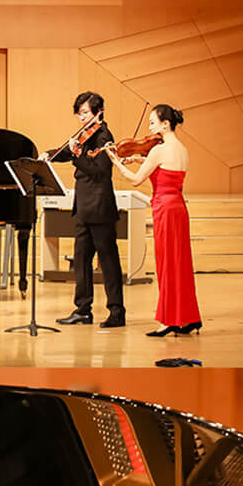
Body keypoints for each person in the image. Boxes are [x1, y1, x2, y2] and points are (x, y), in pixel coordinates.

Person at [111, 104, 199, 336]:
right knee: (181, 264)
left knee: (167, 264)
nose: (149, 128)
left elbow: (135, 180)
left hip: (164, 209)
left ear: (165, 124)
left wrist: (116, 162)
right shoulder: (182, 149)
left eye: (153, 122)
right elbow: (164, 169)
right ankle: (189, 318)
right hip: (179, 207)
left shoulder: (158, 151)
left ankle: (169, 321)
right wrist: (138, 158)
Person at [51, 91, 125, 329]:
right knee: (81, 260)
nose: (81, 118)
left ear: (98, 112)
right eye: (79, 113)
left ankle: (117, 311)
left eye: (85, 113)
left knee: (108, 260)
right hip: (83, 207)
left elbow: (99, 170)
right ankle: (83, 310)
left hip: (100, 206)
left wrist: (78, 155)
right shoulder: (85, 135)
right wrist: (49, 156)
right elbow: (68, 152)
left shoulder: (104, 136)